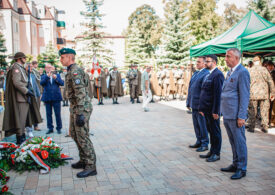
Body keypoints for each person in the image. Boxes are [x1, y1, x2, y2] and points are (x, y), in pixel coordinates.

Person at [59, 48, 96, 178]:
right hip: (75, 108)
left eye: (62, 57)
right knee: (74, 134)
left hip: (81, 108)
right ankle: (84, 160)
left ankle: (91, 166)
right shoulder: (70, 71)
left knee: (82, 136)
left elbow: (81, 93)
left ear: (70, 57)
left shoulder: (75, 72)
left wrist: (80, 113)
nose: (61, 60)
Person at [221, 48, 250, 180]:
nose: (226, 59)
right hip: (227, 113)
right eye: (226, 56)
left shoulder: (242, 72)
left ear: (237, 58)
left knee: (239, 142)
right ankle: (235, 163)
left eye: (228, 56)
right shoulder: (230, 72)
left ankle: (242, 168)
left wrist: (241, 116)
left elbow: (244, 96)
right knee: (233, 142)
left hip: (236, 115)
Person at [2, 52, 41, 144]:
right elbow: (17, 82)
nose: (25, 59)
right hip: (20, 98)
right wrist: (26, 91)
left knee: (23, 120)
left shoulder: (19, 67)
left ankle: (22, 137)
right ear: (20, 59)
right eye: (24, 58)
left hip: (23, 98)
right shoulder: (16, 68)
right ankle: (20, 139)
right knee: (20, 120)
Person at [198, 54, 225, 162]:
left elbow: (218, 94)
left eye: (207, 61)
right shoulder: (209, 74)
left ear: (214, 62)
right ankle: (212, 151)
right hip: (207, 109)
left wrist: (216, 111)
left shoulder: (218, 75)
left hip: (212, 110)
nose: (205, 63)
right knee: (211, 131)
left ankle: (216, 153)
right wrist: (202, 108)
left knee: (215, 132)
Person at [186, 56, 209, 152]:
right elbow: (191, 88)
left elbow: (205, 91)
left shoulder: (206, 73)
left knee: (202, 125)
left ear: (204, 63)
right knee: (196, 125)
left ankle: (204, 143)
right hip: (193, 103)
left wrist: (202, 105)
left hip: (200, 105)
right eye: (197, 62)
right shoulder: (196, 73)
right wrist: (188, 102)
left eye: (199, 62)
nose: (197, 64)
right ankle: (199, 140)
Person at [247, 56, 274, 133]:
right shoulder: (264, 69)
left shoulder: (250, 70)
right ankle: (265, 127)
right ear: (260, 61)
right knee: (264, 111)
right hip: (264, 94)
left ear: (253, 62)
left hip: (253, 94)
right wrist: (273, 93)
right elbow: (270, 81)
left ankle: (251, 127)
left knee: (252, 111)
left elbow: (246, 82)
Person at [40, 64, 64, 134]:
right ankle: (50, 128)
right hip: (47, 98)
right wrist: (47, 77)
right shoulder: (44, 76)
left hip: (56, 97)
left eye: (50, 67)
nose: (49, 69)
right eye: (48, 68)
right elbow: (42, 83)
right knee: (48, 114)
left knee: (57, 114)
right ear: (45, 69)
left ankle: (59, 128)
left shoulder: (57, 75)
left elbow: (62, 83)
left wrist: (56, 78)